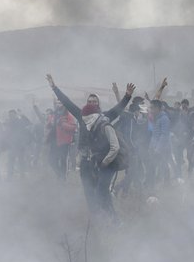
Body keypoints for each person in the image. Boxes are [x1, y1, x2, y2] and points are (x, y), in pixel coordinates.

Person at [47, 74, 133, 216]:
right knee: (88, 191)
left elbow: (117, 110)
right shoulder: (81, 115)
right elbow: (66, 102)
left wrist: (127, 96)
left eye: (94, 101)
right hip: (86, 160)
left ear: (98, 104)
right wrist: (54, 87)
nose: (92, 103)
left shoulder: (104, 117)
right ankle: (96, 217)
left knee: (102, 191)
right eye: (89, 101)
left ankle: (111, 217)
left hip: (100, 161)